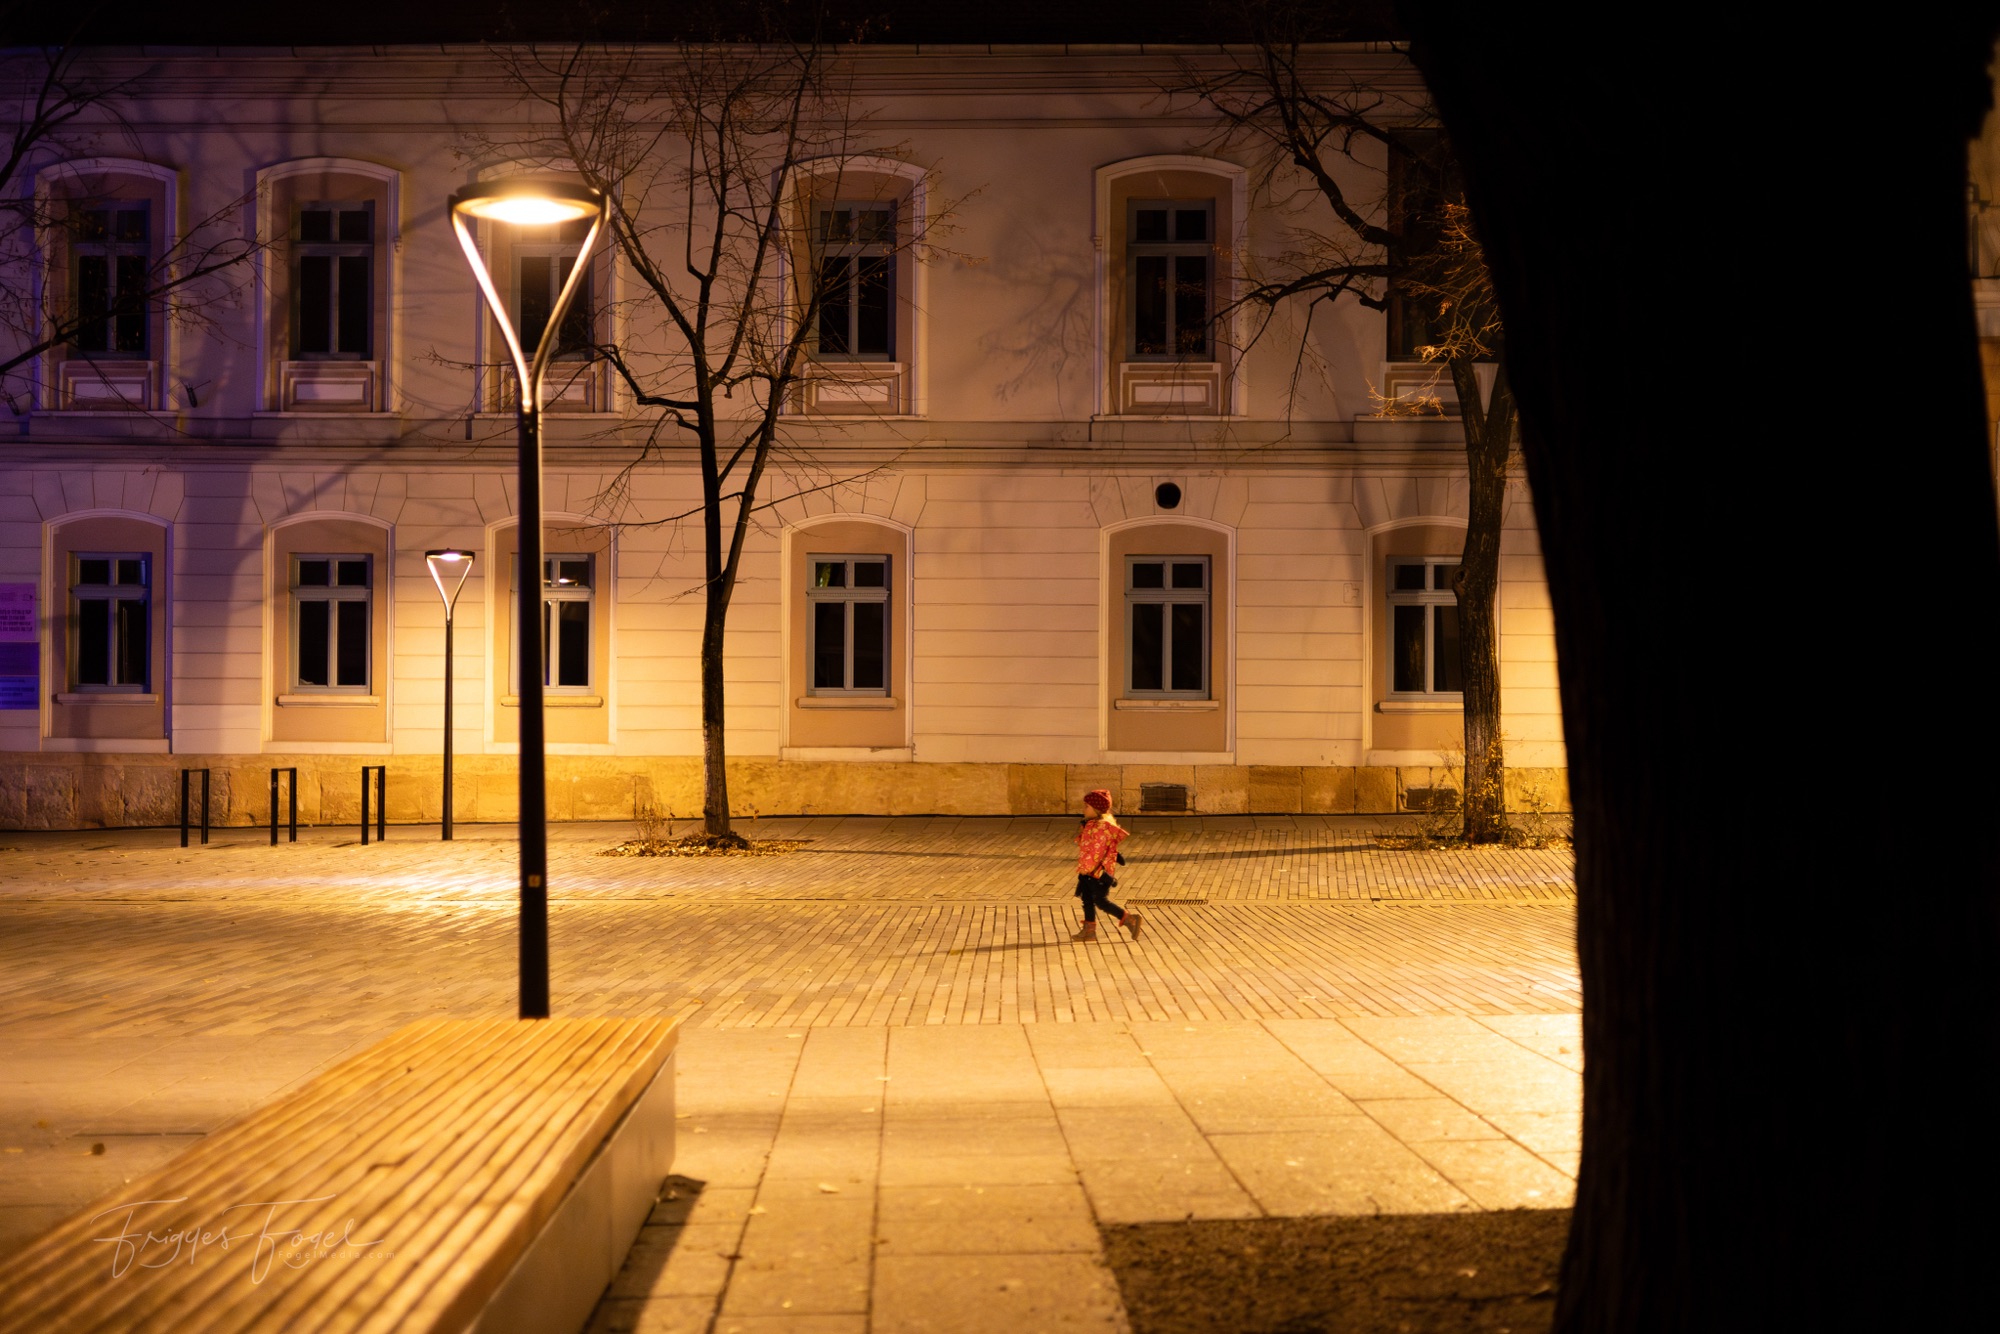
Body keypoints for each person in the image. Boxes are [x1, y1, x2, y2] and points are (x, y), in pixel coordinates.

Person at [1072, 789, 1142, 941]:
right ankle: (1089, 931)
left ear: (1096, 809)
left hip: (1097, 872)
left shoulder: (1101, 828)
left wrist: (1087, 868)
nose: (1083, 809)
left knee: (1101, 901)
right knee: (1087, 899)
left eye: (1086, 806)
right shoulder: (1091, 824)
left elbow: (1096, 851)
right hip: (1087, 871)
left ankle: (1129, 919)